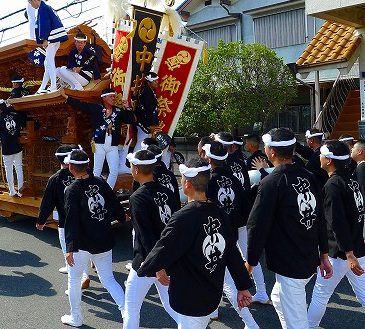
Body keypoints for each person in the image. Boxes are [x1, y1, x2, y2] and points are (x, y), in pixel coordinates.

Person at [137, 157, 254, 329]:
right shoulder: (220, 213)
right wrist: (242, 286)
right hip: (212, 291)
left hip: (189, 295)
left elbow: (163, 249)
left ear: (187, 184)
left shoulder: (183, 217)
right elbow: (232, 253)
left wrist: (144, 269)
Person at [247, 128, 332, 329]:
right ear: (294, 149)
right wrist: (324, 254)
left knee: (297, 322)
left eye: (266, 146)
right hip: (307, 254)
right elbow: (319, 217)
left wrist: (250, 261)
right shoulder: (309, 176)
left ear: (272, 152)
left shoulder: (271, 182)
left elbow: (257, 225)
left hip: (290, 260)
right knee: (277, 296)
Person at [307, 140, 365, 329]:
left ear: (328, 160)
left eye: (321, 154)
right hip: (357, 248)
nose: (318, 156)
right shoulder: (351, 179)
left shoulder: (333, 184)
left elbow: (337, 223)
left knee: (320, 295)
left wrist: (349, 254)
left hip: (340, 252)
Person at [61, 149, 128, 327]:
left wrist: (69, 248)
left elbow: (71, 221)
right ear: (88, 166)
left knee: (74, 280)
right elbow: (114, 203)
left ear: (70, 167)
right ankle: (126, 313)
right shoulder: (100, 182)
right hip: (103, 239)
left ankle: (76, 317)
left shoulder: (72, 189)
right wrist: (123, 218)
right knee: (108, 279)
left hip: (82, 243)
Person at [201, 141, 260, 328]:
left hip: (214, 233)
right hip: (233, 229)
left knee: (224, 278)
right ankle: (213, 309)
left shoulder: (208, 181)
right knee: (219, 273)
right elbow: (244, 205)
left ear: (209, 158)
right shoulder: (233, 178)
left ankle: (250, 322)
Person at [123, 150, 181, 329]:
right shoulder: (168, 192)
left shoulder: (137, 198)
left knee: (132, 307)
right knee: (171, 304)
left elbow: (146, 236)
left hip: (147, 263)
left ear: (137, 170)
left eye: (132, 166)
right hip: (168, 258)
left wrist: (157, 266)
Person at [36, 145, 90, 288]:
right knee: (82, 247)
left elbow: (48, 201)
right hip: (85, 218)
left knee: (70, 250)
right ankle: (83, 271)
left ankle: (81, 276)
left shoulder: (56, 178)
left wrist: (41, 220)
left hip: (65, 220)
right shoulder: (85, 173)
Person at [62, 88, 134, 188]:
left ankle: (108, 191)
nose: (113, 98)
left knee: (114, 171)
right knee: (97, 170)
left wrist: (128, 108)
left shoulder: (118, 111)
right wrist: (66, 97)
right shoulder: (96, 108)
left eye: (114, 96)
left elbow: (130, 120)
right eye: (110, 96)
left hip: (113, 145)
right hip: (99, 143)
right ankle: (94, 190)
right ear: (104, 98)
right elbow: (81, 105)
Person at [28, 0, 68, 94]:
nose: (31, 6)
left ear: (34, 0)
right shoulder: (47, 7)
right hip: (55, 39)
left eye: (31, 3)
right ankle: (43, 87)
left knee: (50, 63)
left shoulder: (43, 8)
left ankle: (53, 86)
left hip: (51, 39)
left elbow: (45, 24)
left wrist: (45, 38)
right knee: (47, 63)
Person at [0, 100, 25, 197]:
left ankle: (12, 191)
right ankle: (20, 191)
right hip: (17, 146)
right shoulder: (16, 116)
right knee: (19, 168)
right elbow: (20, 126)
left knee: (8, 169)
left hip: (7, 148)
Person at [133, 72, 159, 152]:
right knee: (142, 142)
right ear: (148, 82)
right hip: (144, 121)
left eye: (157, 80)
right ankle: (134, 161)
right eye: (154, 81)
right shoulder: (146, 93)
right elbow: (149, 109)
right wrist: (151, 124)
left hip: (146, 120)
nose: (157, 82)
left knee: (146, 143)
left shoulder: (151, 91)